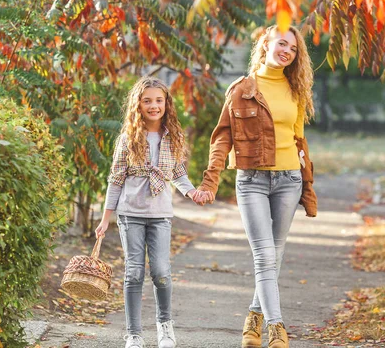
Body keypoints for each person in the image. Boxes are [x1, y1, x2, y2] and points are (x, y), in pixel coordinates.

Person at [194, 24, 318, 348]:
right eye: (281, 44)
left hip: (289, 179)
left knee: (274, 255)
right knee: (264, 256)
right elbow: (222, 137)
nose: (286, 51)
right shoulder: (241, 89)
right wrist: (210, 179)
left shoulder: (296, 91)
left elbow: (299, 141)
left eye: (292, 48)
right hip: (251, 180)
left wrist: (307, 184)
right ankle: (276, 328)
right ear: (265, 43)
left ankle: (253, 317)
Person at [95, 76, 202, 348]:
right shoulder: (128, 138)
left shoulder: (173, 136)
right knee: (133, 273)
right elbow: (116, 179)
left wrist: (192, 192)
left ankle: (165, 327)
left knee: (161, 271)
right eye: (147, 101)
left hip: (161, 214)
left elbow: (177, 173)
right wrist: (105, 219)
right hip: (130, 214)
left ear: (166, 103)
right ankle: (133, 334)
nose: (153, 106)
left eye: (158, 100)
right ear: (138, 105)